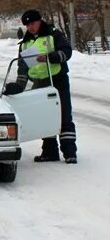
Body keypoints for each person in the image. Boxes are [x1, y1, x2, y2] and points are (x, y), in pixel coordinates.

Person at [16, 9, 77, 164]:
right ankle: (50, 152)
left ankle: (70, 152)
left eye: (32, 23)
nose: (30, 27)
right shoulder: (25, 43)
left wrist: (51, 57)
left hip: (57, 80)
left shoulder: (53, 34)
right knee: (45, 117)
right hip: (40, 83)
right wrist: (18, 86)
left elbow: (67, 52)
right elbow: (22, 66)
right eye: (27, 25)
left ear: (39, 21)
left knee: (64, 116)